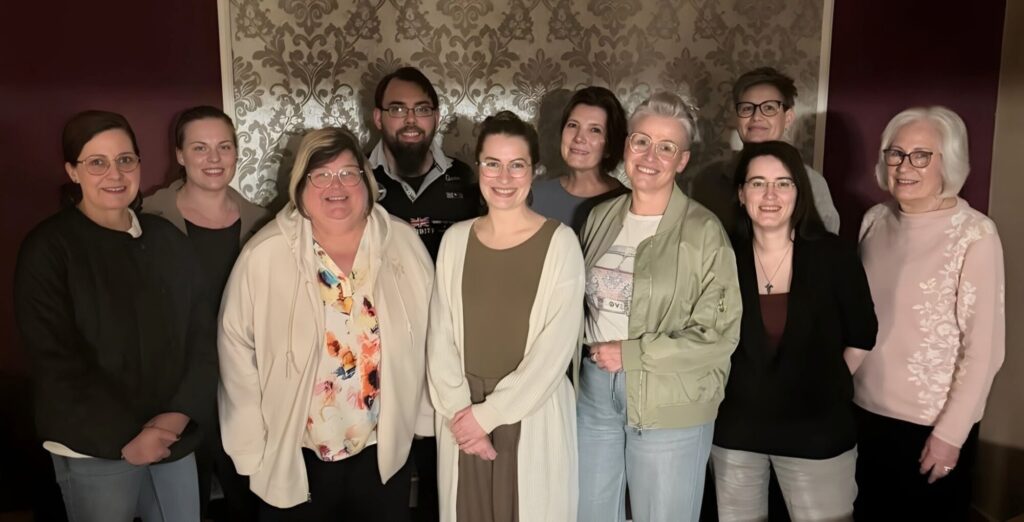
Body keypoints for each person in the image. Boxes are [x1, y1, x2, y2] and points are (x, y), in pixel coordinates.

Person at [218, 127, 435, 520]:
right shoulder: (264, 255)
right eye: (321, 174)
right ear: (300, 187)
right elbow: (237, 354)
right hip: (296, 451)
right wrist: (248, 447)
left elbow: (430, 335)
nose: (336, 186)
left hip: (382, 450)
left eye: (349, 173)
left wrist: (423, 415)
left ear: (367, 183)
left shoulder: (403, 243)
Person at [14, 110, 217, 521]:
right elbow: (56, 362)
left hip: (170, 437)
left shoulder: (167, 240)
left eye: (125, 159)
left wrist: (173, 421)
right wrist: (130, 438)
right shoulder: (49, 249)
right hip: (92, 443)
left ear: (140, 164)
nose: (115, 173)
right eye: (97, 162)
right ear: (73, 171)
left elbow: (203, 336)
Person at [577, 92, 742, 522]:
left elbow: (719, 337)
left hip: (670, 397)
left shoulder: (705, 231)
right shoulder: (600, 217)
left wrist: (632, 354)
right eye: (641, 141)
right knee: (589, 514)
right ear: (626, 146)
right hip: (595, 395)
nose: (650, 156)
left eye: (666, 147)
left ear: (682, 160)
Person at [427, 111, 584, 522]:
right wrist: (465, 417)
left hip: (532, 413)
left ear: (534, 171)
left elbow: (556, 349)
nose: (504, 177)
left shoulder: (561, 244)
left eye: (517, 165)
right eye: (493, 164)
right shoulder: (455, 241)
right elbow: (439, 337)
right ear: (479, 167)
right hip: (461, 415)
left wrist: (489, 416)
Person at [710, 141, 877, 521]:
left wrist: (826, 384)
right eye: (757, 183)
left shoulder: (834, 255)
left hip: (816, 430)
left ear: (799, 192)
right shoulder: (720, 256)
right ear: (741, 193)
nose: (770, 195)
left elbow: (862, 334)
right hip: (736, 430)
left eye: (783, 183)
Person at [852, 107, 1005, 520]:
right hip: (863, 413)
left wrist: (950, 435)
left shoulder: (975, 234)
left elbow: (984, 351)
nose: (905, 166)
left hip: (930, 425)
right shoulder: (875, 221)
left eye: (922, 155)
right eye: (896, 153)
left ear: (948, 163)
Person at [143, 105, 269, 520]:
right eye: (200, 148)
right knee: (182, 509)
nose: (213, 159)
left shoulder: (264, 225)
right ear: (179, 155)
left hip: (246, 392)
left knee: (253, 503)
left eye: (224, 147)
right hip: (175, 394)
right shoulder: (144, 220)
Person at [680, 66, 840, 235]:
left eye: (769, 108)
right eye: (747, 108)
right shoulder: (707, 179)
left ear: (788, 118)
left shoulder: (812, 184)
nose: (757, 117)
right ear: (736, 117)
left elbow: (825, 251)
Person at [369, 66, 481, 260]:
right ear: (379, 118)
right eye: (397, 109)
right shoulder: (356, 177)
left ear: (436, 118)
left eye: (422, 109)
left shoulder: (465, 177)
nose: (411, 119)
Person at [531, 86, 629, 232]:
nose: (578, 138)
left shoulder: (628, 205)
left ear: (610, 145)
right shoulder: (533, 196)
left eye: (594, 130)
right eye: (573, 125)